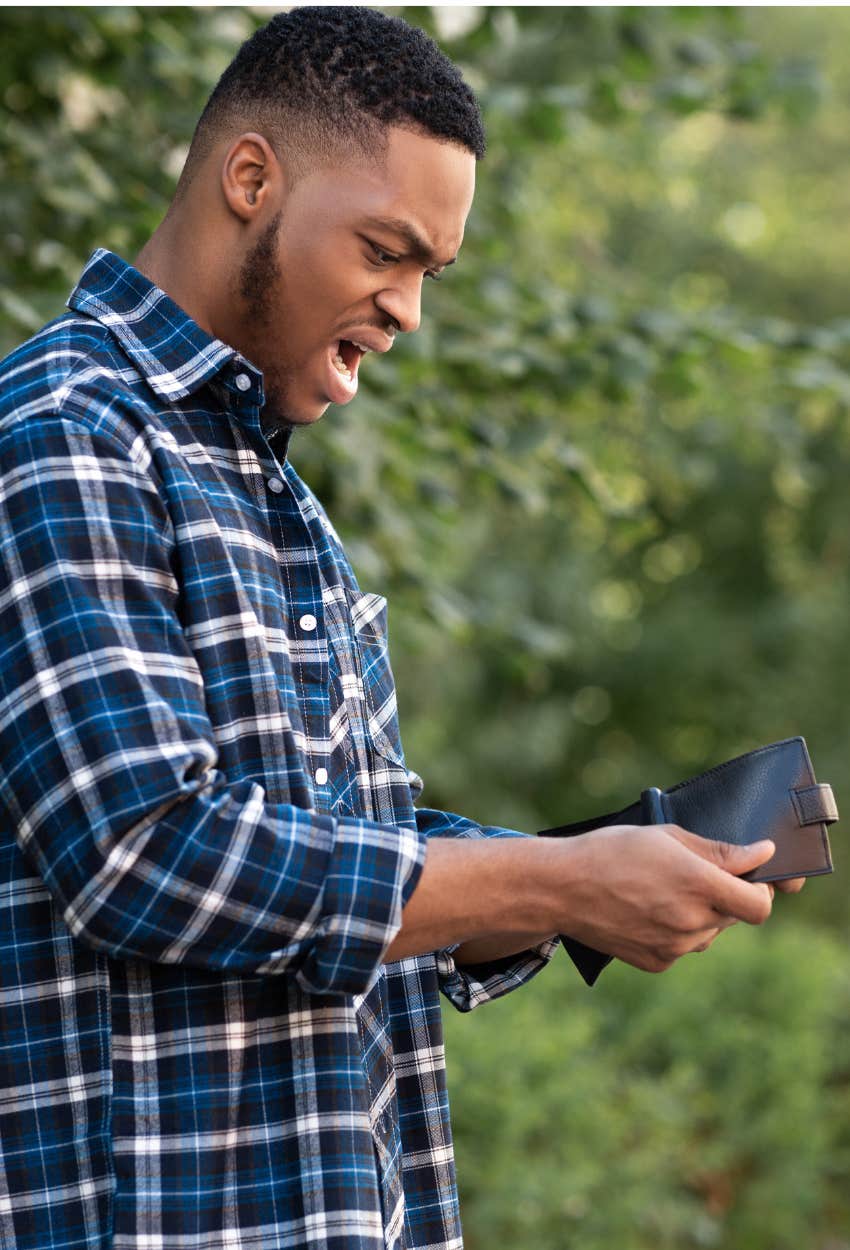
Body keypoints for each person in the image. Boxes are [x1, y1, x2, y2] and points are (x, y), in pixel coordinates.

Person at [0, 8, 799, 1249]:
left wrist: (597, 877)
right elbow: (146, 857)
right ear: (250, 179)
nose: (410, 312)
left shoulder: (276, 495)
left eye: (433, 271)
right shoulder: (66, 434)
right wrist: (557, 877)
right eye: (387, 250)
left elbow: (338, 866)